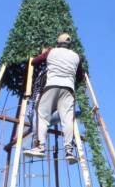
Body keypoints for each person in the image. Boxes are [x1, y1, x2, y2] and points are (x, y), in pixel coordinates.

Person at [24, 33, 84, 164]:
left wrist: (46, 54)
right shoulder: (76, 57)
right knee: (67, 119)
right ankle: (69, 150)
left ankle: (40, 146)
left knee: (41, 114)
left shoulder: (52, 52)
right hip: (68, 89)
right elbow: (80, 76)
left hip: (51, 86)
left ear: (58, 43)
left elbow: (35, 62)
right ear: (70, 45)